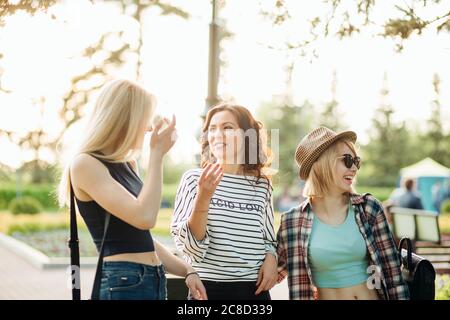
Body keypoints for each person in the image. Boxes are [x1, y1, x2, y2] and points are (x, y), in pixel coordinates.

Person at [58, 79, 206, 300]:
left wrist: (187, 270)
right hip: (124, 281)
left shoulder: (128, 165)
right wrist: (156, 157)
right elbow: (145, 217)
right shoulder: (85, 164)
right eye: (145, 118)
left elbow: (142, 237)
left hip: (152, 279)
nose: (148, 128)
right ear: (124, 118)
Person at [276, 126, 409, 300]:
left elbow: (393, 275)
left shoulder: (369, 209)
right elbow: (268, 274)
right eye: (347, 160)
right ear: (322, 163)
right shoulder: (292, 222)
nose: (354, 168)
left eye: (356, 161)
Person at [170, 103, 278, 300]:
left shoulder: (262, 185)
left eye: (227, 127)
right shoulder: (194, 179)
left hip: (255, 291)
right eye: (212, 129)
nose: (217, 134)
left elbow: (269, 239)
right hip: (207, 290)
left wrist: (271, 258)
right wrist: (203, 197)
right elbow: (191, 249)